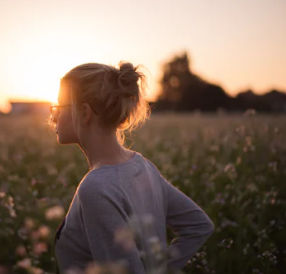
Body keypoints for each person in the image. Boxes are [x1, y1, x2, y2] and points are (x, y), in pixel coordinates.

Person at [49, 61, 215, 274]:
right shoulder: (142, 166)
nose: (53, 116)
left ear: (84, 113)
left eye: (59, 107)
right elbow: (199, 226)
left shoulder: (95, 188)